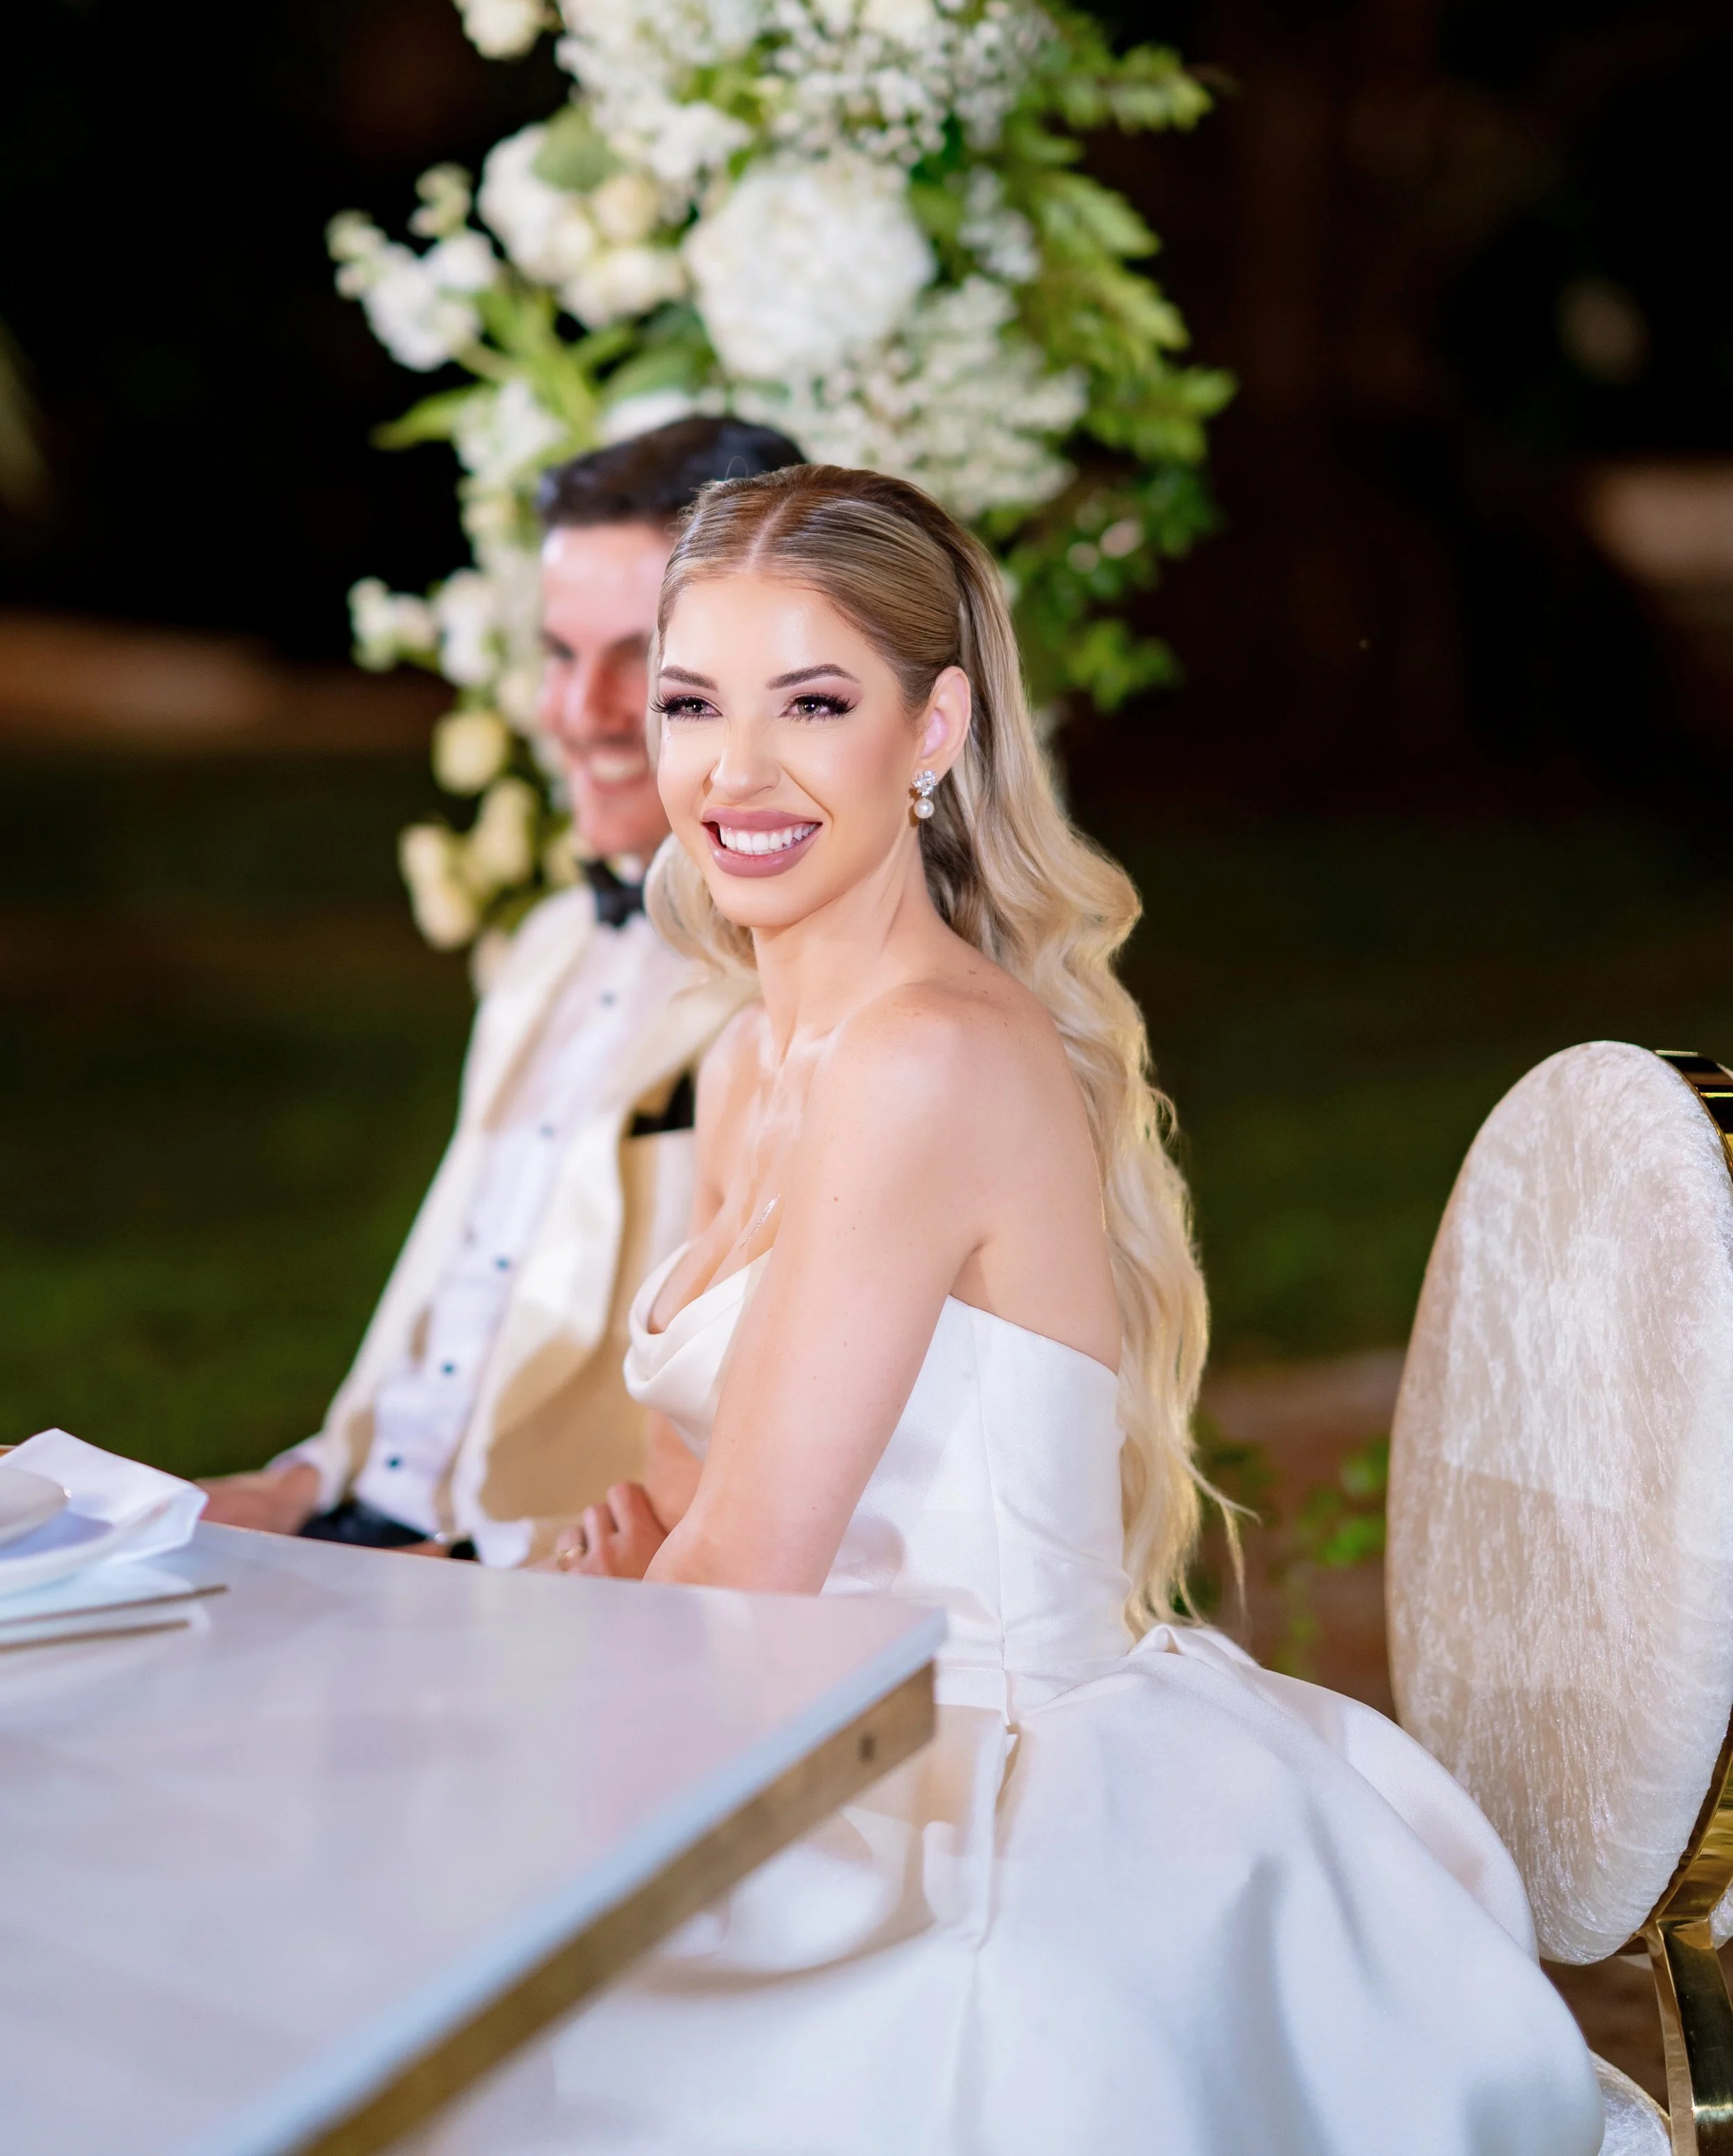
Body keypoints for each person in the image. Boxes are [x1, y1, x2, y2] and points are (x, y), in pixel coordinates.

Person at [424, 464, 1603, 2155]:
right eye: (692, 704)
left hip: (975, 1797)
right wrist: (631, 1543)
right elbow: (725, 1491)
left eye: (811, 703)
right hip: (810, 1715)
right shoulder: (755, 1052)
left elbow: (751, 1569)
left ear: (933, 728)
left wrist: (539, 1659)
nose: (729, 772)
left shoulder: (922, 1058)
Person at [196, 414, 801, 1566]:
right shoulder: (551, 940)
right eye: (561, 654)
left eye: (641, 658)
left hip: (535, 1585)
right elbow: (449, 1285)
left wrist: (453, 1573)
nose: (578, 712)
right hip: (355, 1526)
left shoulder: (802, 998)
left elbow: (753, 1455)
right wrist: (289, 1488)